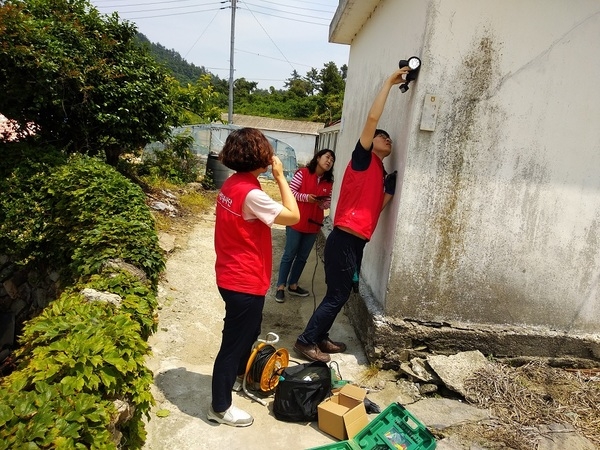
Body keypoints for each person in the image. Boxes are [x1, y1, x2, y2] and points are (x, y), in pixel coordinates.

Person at [293, 67, 410, 363]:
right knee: (337, 295)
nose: (388, 140)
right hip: (343, 239)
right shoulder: (363, 159)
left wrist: (390, 192)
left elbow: (374, 210)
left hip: (356, 241)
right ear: (372, 143)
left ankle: (320, 336)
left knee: (340, 294)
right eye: (383, 137)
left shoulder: (378, 172)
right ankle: (306, 341)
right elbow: (372, 119)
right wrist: (389, 82)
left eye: (388, 139)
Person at [208, 128, 300, 427]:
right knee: (233, 343)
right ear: (259, 156)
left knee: (248, 332)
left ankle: (236, 376)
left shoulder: (233, 184)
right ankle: (220, 407)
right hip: (243, 280)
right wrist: (280, 177)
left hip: (232, 275)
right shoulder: (252, 194)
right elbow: (293, 215)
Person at [275, 149, 336, 303]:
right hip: (296, 222)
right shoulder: (302, 173)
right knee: (289, 254)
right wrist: (306, 198)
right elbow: (291, 193)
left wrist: (323, 203)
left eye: (332, 160)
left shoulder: (329, 183)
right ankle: (280, 286)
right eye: (327, 157)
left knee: (302, 257)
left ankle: (293, 285)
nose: (329, 161)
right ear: (318, 157)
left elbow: (327, 203)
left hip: (313, 225)